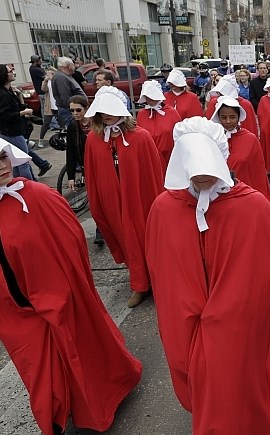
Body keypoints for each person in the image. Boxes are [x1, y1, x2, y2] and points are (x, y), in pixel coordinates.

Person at [144, 117, 270, 435]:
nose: (200, 174)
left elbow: (264, 276)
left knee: (233, 385)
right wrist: (189, 317)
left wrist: (220, 318)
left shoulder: (252, 207)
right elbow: (165, 277)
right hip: (186, 320)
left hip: (236, 323)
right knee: (205, 384)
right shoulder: (164, 209)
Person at [0, 139, 142, 435]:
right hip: (15, 309)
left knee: (79, 351)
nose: (2, 166)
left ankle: (94, 405)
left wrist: (62, 286)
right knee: (39, 368)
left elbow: (71, 239)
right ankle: (57, 413)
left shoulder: (36, 195)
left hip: (55, 295)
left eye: (3, 157)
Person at [84, 86, 164, 308]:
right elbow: (92, 174)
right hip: (113, 202)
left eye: (111, 109)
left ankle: (156, 282)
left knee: (146, 239)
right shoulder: (94, 139)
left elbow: (153, 174)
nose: (107, 115)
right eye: (102, 111)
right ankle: (139, 283)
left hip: (140, 199)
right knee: (125, 240)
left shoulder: (141, 137)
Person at [210, 96, 270, 206]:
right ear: (218, 117)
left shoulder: (250, 139)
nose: (228, 121)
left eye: (232, 117)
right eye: (224, 117)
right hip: (219, 196)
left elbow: (258, 174)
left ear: (239, 117)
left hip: (246, 195)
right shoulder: (212, 140)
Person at [66, 95, 105, 245]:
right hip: (87, 168)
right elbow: (70, 152)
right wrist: (71, 176)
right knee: (95, 201)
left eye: (78, 110)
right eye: (72, 111)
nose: (75, 113)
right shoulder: (73, 127)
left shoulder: (98, 122)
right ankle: (99, 230)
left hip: (103, 167)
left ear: (86, 108)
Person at [0, 64, 37, 180]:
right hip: (11, 132)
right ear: (4, 75)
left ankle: (17, 183)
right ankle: (29, 187)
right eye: (10, 71)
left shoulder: (9, 91)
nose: (13, 72)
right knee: (23, 161)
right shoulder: (2, 94)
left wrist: (20, 96)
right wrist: (23, 113)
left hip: (14, 131)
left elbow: (19, 108)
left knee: (15, 162)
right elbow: (4, 115)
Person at [136, 80, 182, 174]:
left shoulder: (171, 113)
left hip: (169, 159)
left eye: (153, 96)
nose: (150, 99)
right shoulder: (141, 114)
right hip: (149, 159)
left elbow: (179, 137)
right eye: (147, 96)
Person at [51, 56, 86, 128]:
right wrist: (72, 110)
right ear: (69, 66)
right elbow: (65, 96)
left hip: (71, 110)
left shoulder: (65, 76)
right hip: (68, 112)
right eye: (73, 65)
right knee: (72, 130)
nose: (75, 67)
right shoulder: (61, 77)